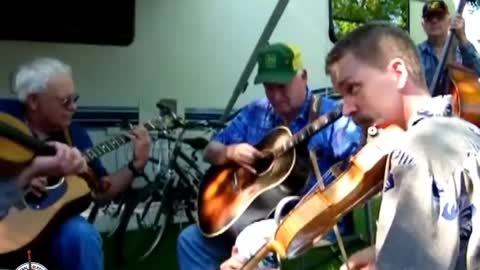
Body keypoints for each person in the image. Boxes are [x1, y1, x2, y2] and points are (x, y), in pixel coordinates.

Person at [176, 42, 363, 270]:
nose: (275, 95)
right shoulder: (256, 111)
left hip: (303, 224)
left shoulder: (331, 116)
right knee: (190, 241)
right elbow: (210, 151)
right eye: (268, 87)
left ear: (303, 76)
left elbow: (361, 156)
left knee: (252, 250)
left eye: (281, 86)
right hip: (243, 219)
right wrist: (229, 152)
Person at [325, 21, 480, 269]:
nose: (346, 108)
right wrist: (381, 252)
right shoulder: (465, 132)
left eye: (353, 88)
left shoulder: (416, 150)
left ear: (398, 73)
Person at [0, 57, 151, 270]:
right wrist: (21, 178)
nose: (74, 107)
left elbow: (101, 190)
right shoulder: (4, 118)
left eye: (75, 98)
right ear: (33, 101)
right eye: (65, 101)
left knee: (81, 235)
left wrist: (136, 164)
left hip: (53, 227)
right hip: (5, 223)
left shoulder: (75, 135)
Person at [0, 142, 88, 219]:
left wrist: (100, 172)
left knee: (81, 231)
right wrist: (29, 174)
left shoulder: (71, 131)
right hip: (14, 213)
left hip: (51, 213)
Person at [417, 0, 480, 96]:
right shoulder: (416, 53)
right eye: (429, 18)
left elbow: (477, 72)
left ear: (449, 21)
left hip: (460, 109)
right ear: (423, 25)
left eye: (439, 16)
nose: (434, 20)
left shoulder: (462, 47)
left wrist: (462, 37)